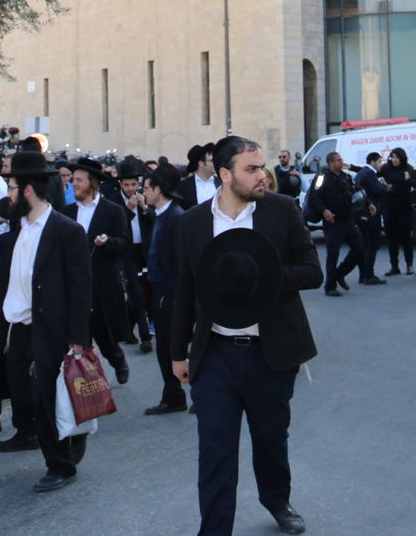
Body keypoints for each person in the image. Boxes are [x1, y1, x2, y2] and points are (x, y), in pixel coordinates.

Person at [171, 135, 321, 536]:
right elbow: (184, 290)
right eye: (251, 169)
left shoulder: (282, 211)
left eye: (262, 167)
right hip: (215, 353)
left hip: (270, 352)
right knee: (215, 450)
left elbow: (312, 271)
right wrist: (177, 353)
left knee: (271, 440)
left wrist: (260, 274)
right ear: (224, 175)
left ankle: (277, 501)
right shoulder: (193, 223)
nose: (262, 177)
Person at [0, 151, 92, 493]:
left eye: (11, 187)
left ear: (27, 190)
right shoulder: (18, 227)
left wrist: (77, 338)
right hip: (16, 328)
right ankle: (67, 439)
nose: (6, 195)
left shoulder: (65, 230)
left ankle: (60, 465)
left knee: (45, 399)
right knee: (22, 396)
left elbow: (81, 289)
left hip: (51, 330)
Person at [64, 156, 133, 384]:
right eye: (73, 180)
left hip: (101, 283)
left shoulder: (112, 211)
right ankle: (84, 379)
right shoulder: (66, 212)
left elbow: (124, 243)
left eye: (79, 180)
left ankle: (117, 360)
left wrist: (108, 242)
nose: (74, 184)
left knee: (104, 333)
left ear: (92, 183)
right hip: (74, 283)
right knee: (78, 332)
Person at [144, 160, 187, 415]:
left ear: (159, 190)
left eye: (148, 187)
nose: (145, 192)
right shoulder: (162, 215)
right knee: (166, 347)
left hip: (169, 297)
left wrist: (172, 299)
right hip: (160, 294)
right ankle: (172, 394)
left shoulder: (175, 218)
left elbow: (181, 264)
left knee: (173, 348)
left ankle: (177, 395)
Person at [309, 152, 362, 297]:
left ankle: (339, 274)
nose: (341, 162)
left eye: (341, 159)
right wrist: (324, 210)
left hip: (347, 219)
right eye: (338, 160)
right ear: (331, 163)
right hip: (332, 222)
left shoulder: (346, 177)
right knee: (333, 254)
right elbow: (315, 196)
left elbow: (355, 191)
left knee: (360, 249)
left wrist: (368, 204)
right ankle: (330, 286)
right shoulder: (321, 177)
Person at [116, 156, 154, 352]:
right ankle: (145, 337)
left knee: (144, 291)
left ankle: (126, 329)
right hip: (127, 251)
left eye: (134, 184)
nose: (131, 188)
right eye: (127, 185)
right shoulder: (115, 202)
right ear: (120, 184)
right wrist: (129, 208)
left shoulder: (144, 197)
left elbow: (153, 221)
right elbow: (117, 225)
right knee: (136, 293)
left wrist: (144, 208)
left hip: (144, 250)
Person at [380, 147, 416, 276]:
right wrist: (395, 183)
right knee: (391, 237)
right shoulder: (386, 168)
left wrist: (393, 184)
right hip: (389, 206)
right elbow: (378, 176)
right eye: (393, 157)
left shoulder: (408, 168)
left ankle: (409, 264)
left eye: (397, 157)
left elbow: (408, 183)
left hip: (403, 206)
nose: (395, 160)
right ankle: (394, 266)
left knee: (405, 236)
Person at [354, 152, 388, 285]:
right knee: (372, 245)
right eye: (379, 162)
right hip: (370, 213)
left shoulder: (362, 172)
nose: (381, 165)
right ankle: (369, 275)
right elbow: (376, 189)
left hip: (362, 213)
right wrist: (385, 186)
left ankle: (363, 274)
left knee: (365, 244)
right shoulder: (369, 173)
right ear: (373, 162)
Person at [176, 143, 217, 210]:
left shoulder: (221, 183)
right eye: (211, 161)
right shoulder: (184, 186)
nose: (216, 163)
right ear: (201, 163)